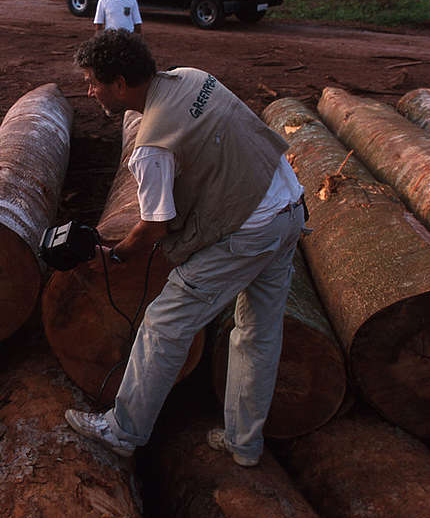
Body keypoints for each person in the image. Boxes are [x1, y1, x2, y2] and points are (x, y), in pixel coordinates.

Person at [65, 30, 306, 467]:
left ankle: (122, 430)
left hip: (249, 229)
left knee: (165, 322)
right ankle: (245, 444)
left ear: (119, 83)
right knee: (259, 333)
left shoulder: (152, 144)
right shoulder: (194, 78)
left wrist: (116, 256)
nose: (89, 90)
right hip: (289, 205)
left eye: (93, 81)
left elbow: (155, 227)